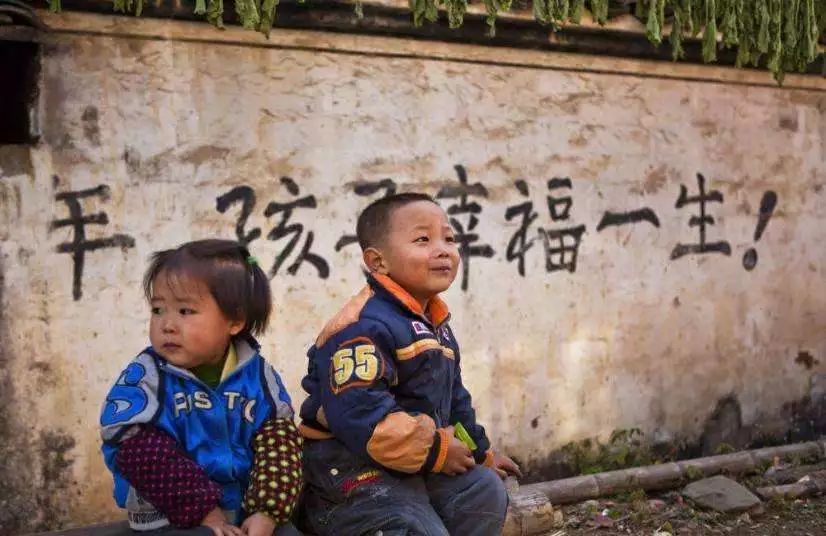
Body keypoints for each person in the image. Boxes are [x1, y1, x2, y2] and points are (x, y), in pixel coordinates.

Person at [298, 193, 521, 535]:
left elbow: (453, 401)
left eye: (449, 238)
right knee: (412, 525)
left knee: (483, 490)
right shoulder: (363, 326)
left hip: (413, 464)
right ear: (378, 262)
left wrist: (480, 453)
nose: (443, 249)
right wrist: (437, 450)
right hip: (352, 468)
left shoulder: (434, 324)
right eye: (422, 239)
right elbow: (363, 417)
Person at [100, 239, 301, 536]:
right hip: (168, 516)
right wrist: (204, 512)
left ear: (234, 322)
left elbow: (279, 442)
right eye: (158, 310)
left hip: (243, 511)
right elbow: (134, 447)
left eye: (185, 311)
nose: (167, 324)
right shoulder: (146, 377)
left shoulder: (258, 375)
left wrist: (266, 512)